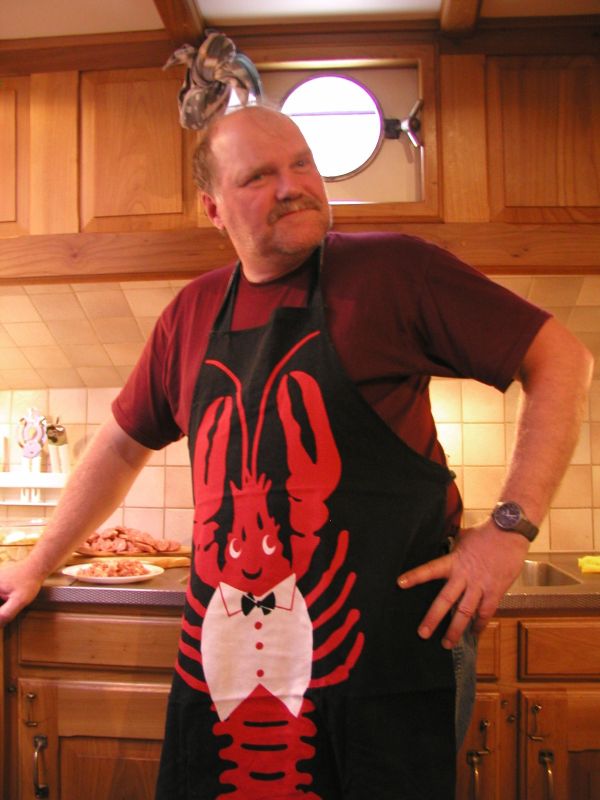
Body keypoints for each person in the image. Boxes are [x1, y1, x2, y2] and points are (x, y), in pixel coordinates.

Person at [0, 104, 592, 800]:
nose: (293, 186)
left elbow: (561, 358)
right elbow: (119, 446)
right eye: (259, 176)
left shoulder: (396, 270)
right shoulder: (189, 314)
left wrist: (508, 532)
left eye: (302, 163)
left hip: (391, 652)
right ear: (213, 208)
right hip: (229, 670)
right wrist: (36, 564)